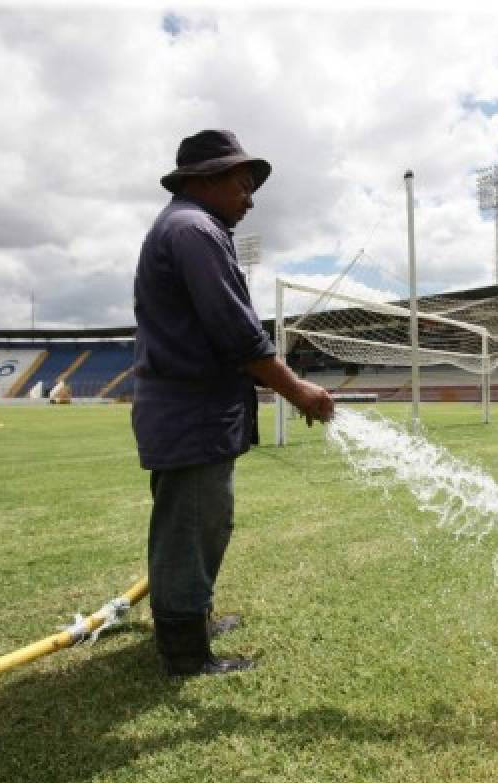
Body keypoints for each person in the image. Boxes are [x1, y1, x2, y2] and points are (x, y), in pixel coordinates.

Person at [131, 130, 335, 677]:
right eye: (243, 185)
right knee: (192, 528)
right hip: (190, 413)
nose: (251, 198)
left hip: (191, 413)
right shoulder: (195, 230)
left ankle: (193, 619)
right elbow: (236, 333)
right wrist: (300, 391)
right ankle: (185, 654)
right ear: (206, 179)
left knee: (201, 524)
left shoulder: (190, 227)